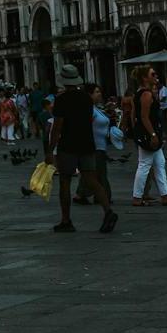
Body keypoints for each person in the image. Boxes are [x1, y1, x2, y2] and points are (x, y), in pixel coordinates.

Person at [49, 68, 116, 235]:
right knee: (92, 180)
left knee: (65, 181)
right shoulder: (87, 99)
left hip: (68, 145)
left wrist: (50, 150)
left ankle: (66, 220)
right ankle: (108, 211)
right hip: (87, 144)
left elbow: (57, 127)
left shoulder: (61, 99)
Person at [130, 68, 167, 207]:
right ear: (145, 78)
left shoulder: (140, 93)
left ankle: (165, 195)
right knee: (144, 164)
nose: (156, 76)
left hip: (147, 132)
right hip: (149, 133)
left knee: (159, 163)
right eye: (152, 74)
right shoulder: (146, 94)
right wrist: (152, 134)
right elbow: (144, 117)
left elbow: (135, 116)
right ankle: (137, 197)